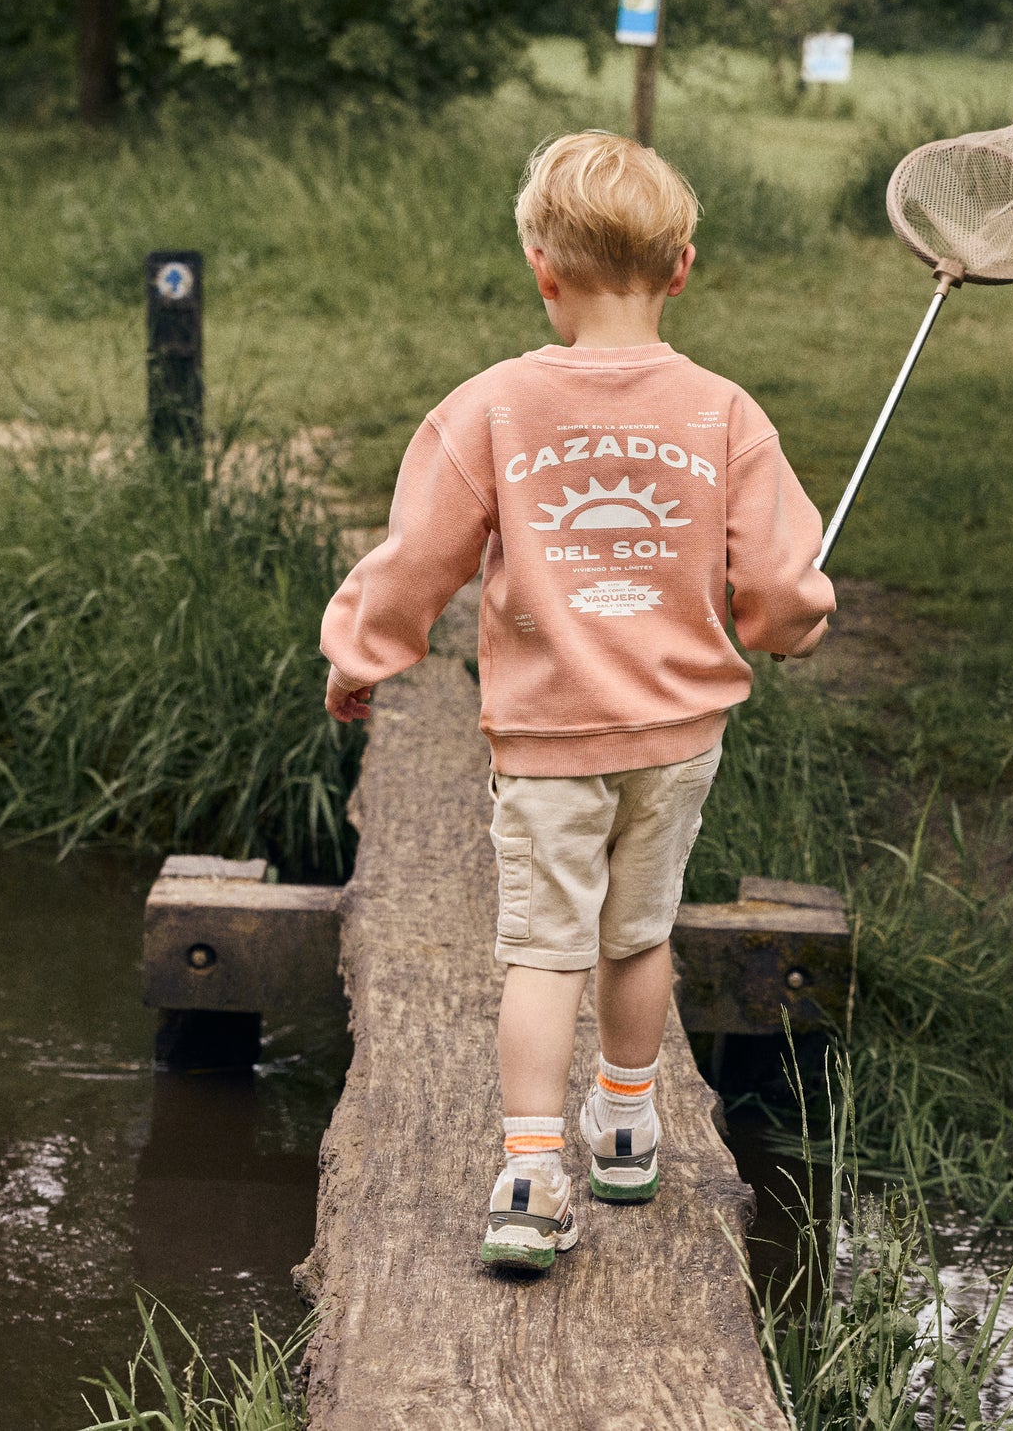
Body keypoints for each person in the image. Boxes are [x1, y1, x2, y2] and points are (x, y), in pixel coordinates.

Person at [320, 130, 835, 1271]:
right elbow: (787, 586)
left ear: (541, 267)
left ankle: (527, 1170)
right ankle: (625, 1122)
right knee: (639, 931)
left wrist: (361, 652)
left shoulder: (496, 407)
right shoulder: (727, 414)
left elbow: (418, 559)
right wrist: (789, 624)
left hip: (549, 737)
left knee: (544, 954)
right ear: (684, 268)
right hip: (677, 737)